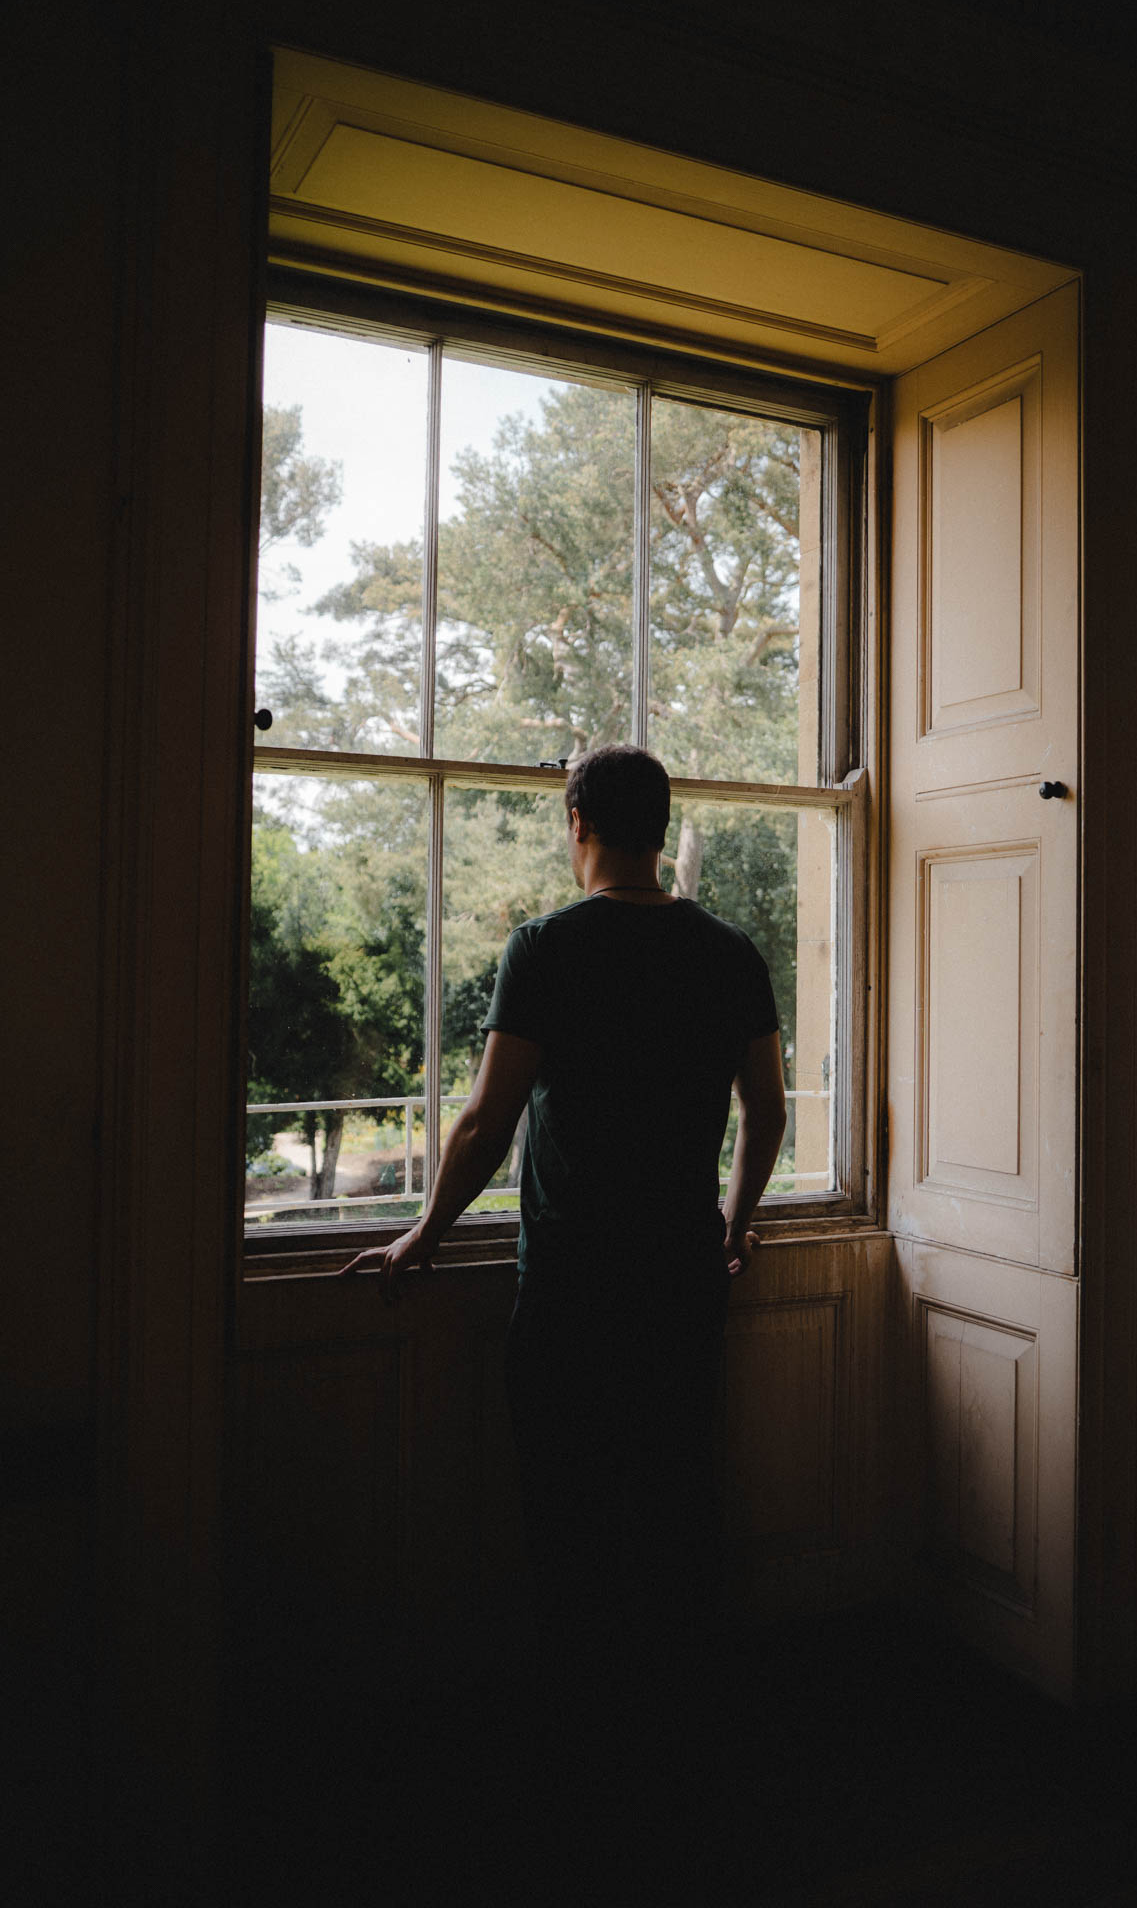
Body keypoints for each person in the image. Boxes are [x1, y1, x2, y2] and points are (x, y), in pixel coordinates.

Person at [341, 745, 787, 1874]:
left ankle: (584, 1765)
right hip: (682, 1278)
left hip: (579, 1287)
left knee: (574, 1517)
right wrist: (734, 1224)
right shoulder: (729, 952)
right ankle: (685, 1762)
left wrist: (422, 1234)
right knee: (676, 1506)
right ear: (662, 823)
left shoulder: (548, 947)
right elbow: (766, 1110)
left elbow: (486, 1123)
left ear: (576, 820)